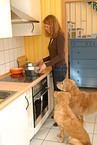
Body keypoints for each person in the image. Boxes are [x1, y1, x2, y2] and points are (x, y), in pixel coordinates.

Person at [37, 14, 67, 126]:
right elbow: (53, 55)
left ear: (52, 25)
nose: (45, 28)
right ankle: (59, 116)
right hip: (56, 68)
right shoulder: (53, 37)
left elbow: (60, 56)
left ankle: (61, 119)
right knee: (58, 94)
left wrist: (47, 65)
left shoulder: (60, 36)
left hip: (60, 68)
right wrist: (43, 60)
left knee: (59, 95)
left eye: (46, 26)